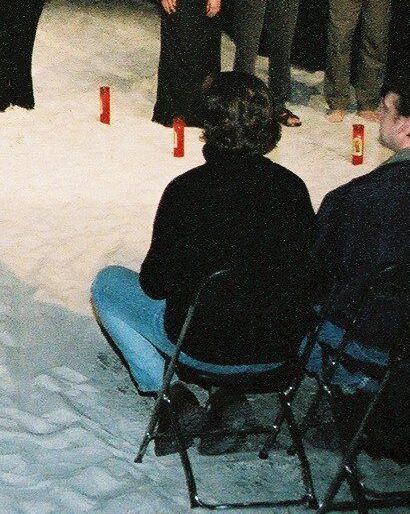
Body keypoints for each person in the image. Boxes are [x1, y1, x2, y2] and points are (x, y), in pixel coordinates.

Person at [90, 73, 316, 403]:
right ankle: (227, 394)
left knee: (107, 284)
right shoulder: (291, 187)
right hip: (278, 347)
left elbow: (155, 284)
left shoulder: (187, 190)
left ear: (210, 124)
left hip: (204, 347)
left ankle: (171, 394)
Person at [311, 82, 410, 371]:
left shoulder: (359, 197)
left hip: (373, 340)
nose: (377, 114)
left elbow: (318, 271)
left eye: (385, 109)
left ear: (405, 125)